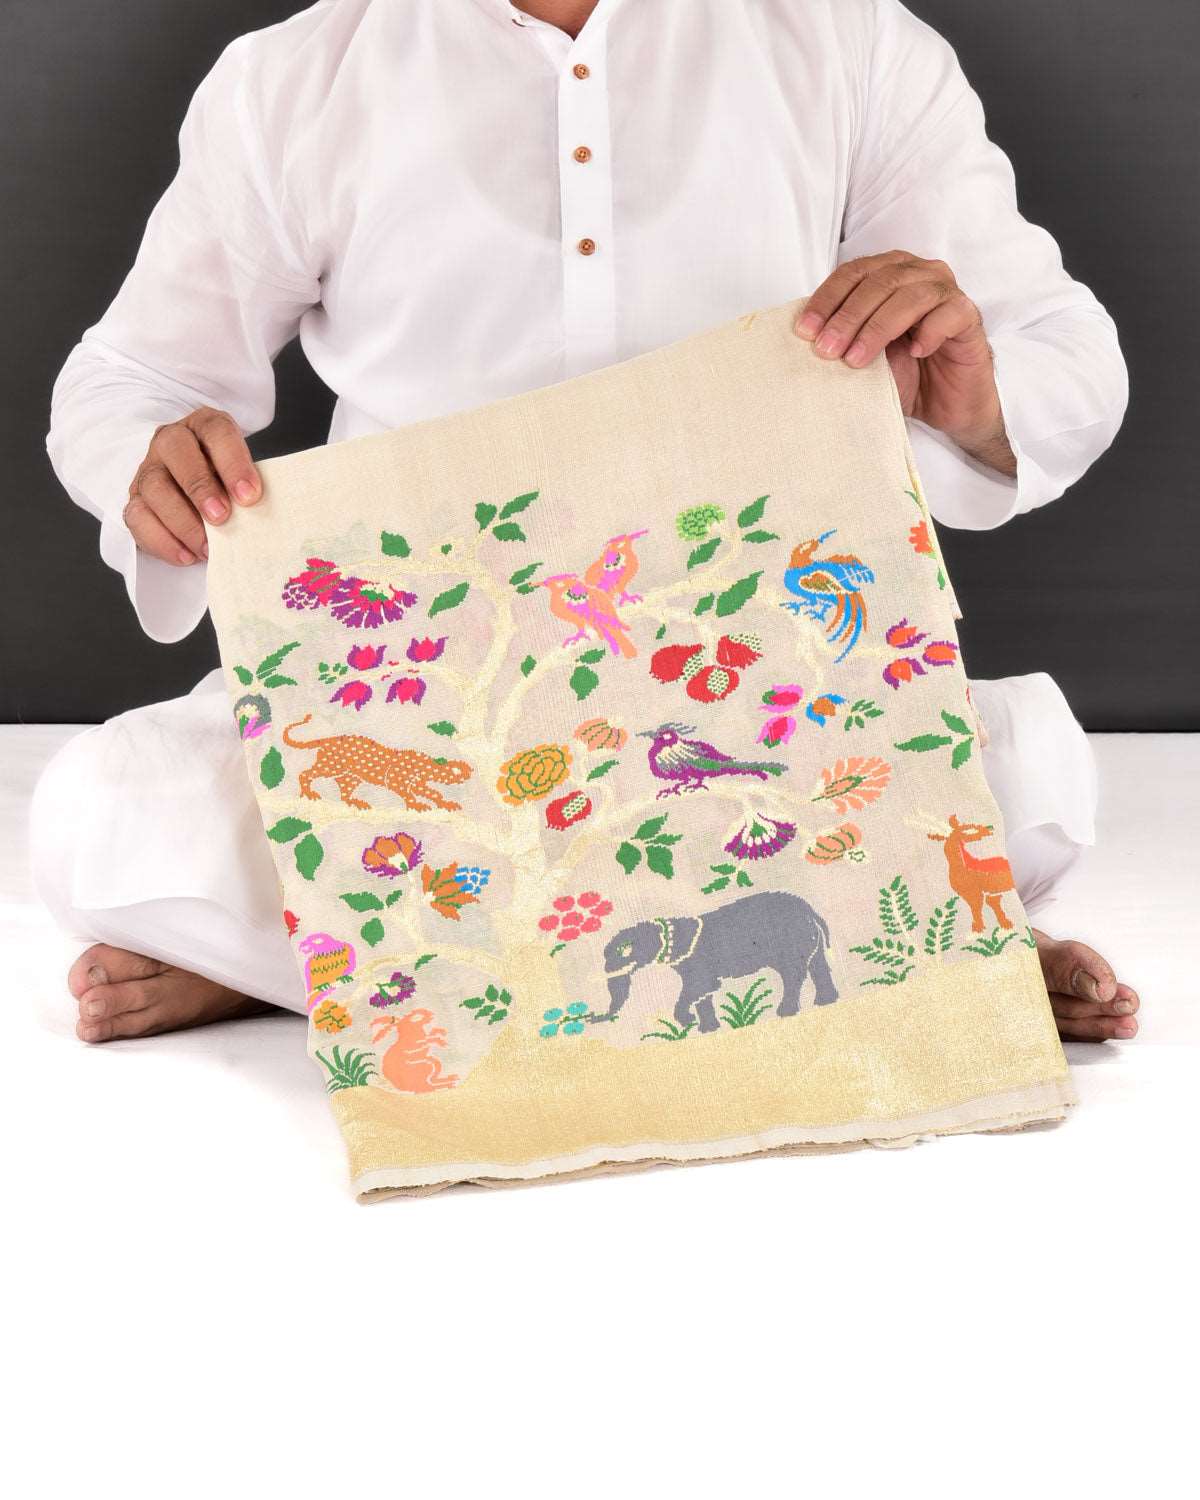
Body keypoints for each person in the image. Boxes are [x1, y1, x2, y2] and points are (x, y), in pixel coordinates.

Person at [33, 0, 1140, 1045]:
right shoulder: (296, 78)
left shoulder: (845, 39)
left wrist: (975, 398)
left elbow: (1064, 346)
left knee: (1035, 773)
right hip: (443, 698)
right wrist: (148, 463)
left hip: (750, 690)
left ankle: (334, 963)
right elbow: (126, 377)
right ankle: (925, 946)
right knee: (101, 814)